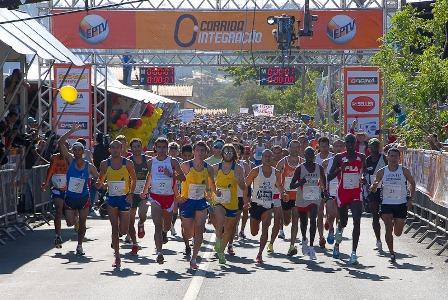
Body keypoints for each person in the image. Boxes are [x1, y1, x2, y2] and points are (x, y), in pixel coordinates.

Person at [141, 137, 185, 264]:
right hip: (155, 197)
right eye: (159, 147)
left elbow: (183, 178)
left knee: (166, 225)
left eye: (164, 147)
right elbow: (149, 177)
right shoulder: (151, 162)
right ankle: (159, 252)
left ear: (167, 148)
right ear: (155, 147)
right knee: (157, 226)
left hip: (169, 197)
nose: (161, 150)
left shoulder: (173, 161)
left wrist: (171, 174)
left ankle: (165, 232)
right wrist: (144, 192)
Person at [58, 124, 99, 255]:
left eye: (78, 150)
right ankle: (74, 220)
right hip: (70, 198)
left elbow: (98, 176)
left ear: (83, 152)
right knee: (70, 223)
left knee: (83, 222)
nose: (76, 152)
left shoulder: (89, 166)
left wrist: (98, 182)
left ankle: (79, 245)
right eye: (74, 150)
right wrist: (72, 131)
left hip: (84, 197)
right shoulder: (70, 160)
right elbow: (60, 142)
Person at [370, 148, 415, 262]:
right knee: (388, 227)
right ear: (387, 157)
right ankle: (391, 253)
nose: (393, 158)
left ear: (399, 158)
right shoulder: (382, 171)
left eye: (396, 156)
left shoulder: (404, 170)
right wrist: (374, 186)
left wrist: (410, 199)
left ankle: (397, 222)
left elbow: (412, 183)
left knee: (398, 233)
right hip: (386, 203)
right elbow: (374, 188)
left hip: (400, 203)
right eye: (391, 156)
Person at [97, 139, 137, 268]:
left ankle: (120, 232)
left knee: (124, 231)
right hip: (112, 198)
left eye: (117, 148)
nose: (114, 150)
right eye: (112, 148)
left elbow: (134, 179)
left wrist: (130, 194)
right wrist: (99, 184)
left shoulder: (128, 163)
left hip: (124, 198)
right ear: (109, 149)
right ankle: (117, 256)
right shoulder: (104, 164)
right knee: (114, 227)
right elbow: (101, 181)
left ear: (122, 149)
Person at [328, 134, 366, 265]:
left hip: (356, 192)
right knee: (343, 222)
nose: (350, 144)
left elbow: (363, 173)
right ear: (345, 143)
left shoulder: (361, 157)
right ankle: (337, 242)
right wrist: (340, 169)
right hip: (343, 193)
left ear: (355, 143)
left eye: (352, 142)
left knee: (357, 220)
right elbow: (329, 176)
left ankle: (353, 253)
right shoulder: (339, 157)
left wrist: (363, 179)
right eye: (347, 142)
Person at [179, 141, 216, 269]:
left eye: (202, 151)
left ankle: (194, 258)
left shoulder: (208, 168)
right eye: (198, 150)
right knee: (189, 233)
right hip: (187, 201)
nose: (200, 153)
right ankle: (189, 237)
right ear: (194, 151)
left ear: (206, 152)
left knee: (199, 229)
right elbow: (175, 180)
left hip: (201, 201)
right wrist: (176, 197)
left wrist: (212, 203)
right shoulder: (185, 165)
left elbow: (210, 187)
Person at [212, 144, 248, 263]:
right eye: (226, 152)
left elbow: (243, 187)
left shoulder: (238, 168)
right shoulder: (217, 167)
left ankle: (221, 251)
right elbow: (208, 178)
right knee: (220, 221)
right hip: (219, 200)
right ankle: (218, 240)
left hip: (232, 202)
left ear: (234, 154)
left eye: (230, 152)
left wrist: (239, 181)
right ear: (222, 153)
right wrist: (213, 190)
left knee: (229, 229)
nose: (228, 154)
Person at [246, 149, 283, 263]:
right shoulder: (255, 171)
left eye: (269, 156)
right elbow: (246, 184)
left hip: (268, 205)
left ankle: (260, 253)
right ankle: (259, 249)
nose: (267, 158)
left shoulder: (276, 172)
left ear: (272, 158)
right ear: (261, 158)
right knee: (254, 232)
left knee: (265, 227)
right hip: (256, 204)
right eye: (265, 156)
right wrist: (245, 200)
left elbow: (279, 186)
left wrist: (284, 194)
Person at [290, 147, 327, 260]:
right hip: (302, 198)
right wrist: (300, 182)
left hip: (314, 197)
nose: (310, 157)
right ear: (304, 155)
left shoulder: (319, 168)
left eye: (312, 155)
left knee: (313, 219)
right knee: (304, 222)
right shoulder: (299, 168)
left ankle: (311, 247)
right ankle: (304, 239)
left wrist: (324, 191)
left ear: (314, 156)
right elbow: (291, 185)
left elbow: (323, 180)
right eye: (308, 155)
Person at [276, 140, 304, 255]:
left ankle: (292, 246)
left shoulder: (303, 163)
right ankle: (285, 224)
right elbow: (276, 180)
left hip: (298, 196)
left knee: (296, 219)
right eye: (292, 147)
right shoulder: (282, 162)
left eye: (297, 147)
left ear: (299, 149)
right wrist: (282, 192)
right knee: (287, 221)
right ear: (289, 148)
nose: (294, 149)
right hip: (286, 196)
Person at [41, 141, 69, 248]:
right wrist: (46, 183)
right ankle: (58, 235)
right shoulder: (54, 158)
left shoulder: (71, 159)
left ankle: (76, 221)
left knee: (70, 212)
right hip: (57, 188)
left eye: (65, 148)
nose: (63, 150)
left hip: (69, 189)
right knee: (58, 210)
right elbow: (51, 170)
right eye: (61, 147)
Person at [127, 138, 151, 255]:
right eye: (134, 147)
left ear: (142, 147)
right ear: (131, 149)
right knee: (130, 220)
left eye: (138, 146)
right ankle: (134, 244)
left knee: (143, 214)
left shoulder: (148, 160)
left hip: (143, 192)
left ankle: (141, 223)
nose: (136, 149)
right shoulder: (127, 161)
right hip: (131, 193)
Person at [365, 138, 388, 251]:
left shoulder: (384, 158)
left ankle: (388, 235)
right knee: (375, 215)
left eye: (376, 146)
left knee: (385, 215)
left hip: (385, 190)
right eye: (371, 146)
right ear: (369, 148)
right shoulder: (367, 160)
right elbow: (364, 174)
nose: (373, 148)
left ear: (379, 147)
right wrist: (364, 182)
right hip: (373, 190)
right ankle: (378, 240)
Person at [321, 139, 345, 246]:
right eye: (336, 146)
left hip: (343, 193)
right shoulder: (326, 162)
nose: (338, 148)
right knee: (331, 214)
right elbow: (322, 177)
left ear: (344, 147)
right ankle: (331, 229)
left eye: (340, 146)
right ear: (333, 148)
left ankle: (337, 238)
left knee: (340, 217)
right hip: (330, 192)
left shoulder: (347, 160)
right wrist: (323, 189)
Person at [315, 136, 333, 249]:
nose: (324, 148)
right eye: (322, 146)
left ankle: (330, 226)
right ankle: (321, 237)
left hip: (331, 188)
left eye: (326, 146)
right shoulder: (315, 158)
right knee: (319, 213)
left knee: (331, 213)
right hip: (318, 188)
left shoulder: (333, 157)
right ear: (319, 146)